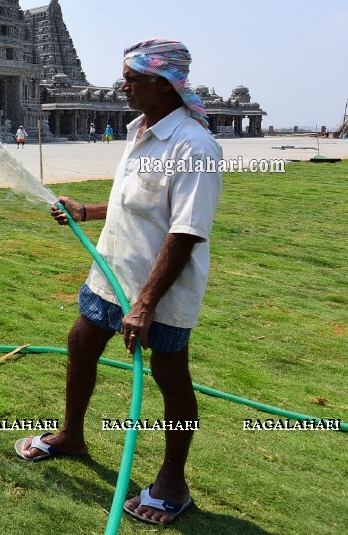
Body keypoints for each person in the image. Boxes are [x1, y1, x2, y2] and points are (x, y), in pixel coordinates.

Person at [14, 39, 222, 527]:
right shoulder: (139, 131)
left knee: (171, 378)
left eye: (131, 78)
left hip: (159, 291)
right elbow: (136, 204)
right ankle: (71, 435)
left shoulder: (194, 146)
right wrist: (85, 211)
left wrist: (146, 303)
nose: (121, 86)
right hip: (110, 275)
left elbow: (186, 230)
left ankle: (173, 480)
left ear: (163, 83)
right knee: (80, 344)